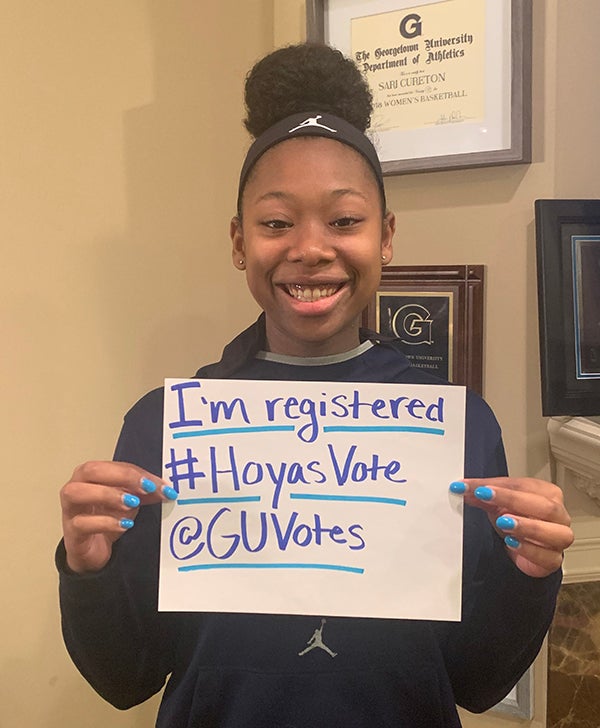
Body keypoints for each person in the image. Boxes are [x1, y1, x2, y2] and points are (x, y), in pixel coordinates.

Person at [57, 43, 573, 727]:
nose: (310, 247)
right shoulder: (166, 427)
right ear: (240, 241)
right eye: (276, 223)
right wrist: (87, 570)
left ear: (385, 237)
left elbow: (476, 679)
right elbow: (127, 676)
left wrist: (528, 576)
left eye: (344, 220)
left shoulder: (456, 429)